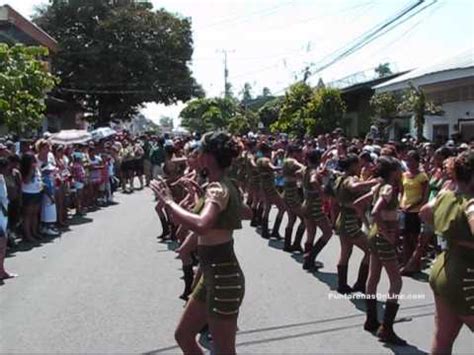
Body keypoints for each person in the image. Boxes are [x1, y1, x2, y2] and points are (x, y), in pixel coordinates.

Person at [151, 131, 251, 355]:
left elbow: (202, 225)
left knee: (224, 351)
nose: (196, 156)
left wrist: (168, 202)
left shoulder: (218, 188)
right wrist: (202, 201)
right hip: (211, 275)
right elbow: (246, 213)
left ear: (207, 158)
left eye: (200, 152)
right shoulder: (224, 185)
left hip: (224, 278)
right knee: (184, 335)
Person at [420, 151, 474, 354]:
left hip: (443, 268)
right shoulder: (471, 203)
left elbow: (424, 212)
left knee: (442, 337)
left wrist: (451, 234)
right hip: (466, 277)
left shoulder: (445, 194)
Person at [363, 156, 407, 345]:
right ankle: (387, 329)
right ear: (392, 171)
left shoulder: (378, 186)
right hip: (382, 237)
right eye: (398, 169)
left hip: (374, 236)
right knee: (396, 282)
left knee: (373, 278)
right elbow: (375, 212)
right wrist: (387, 234)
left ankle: (371, 319)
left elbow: (366, 207)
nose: (401, 172)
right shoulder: (388, 188)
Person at [0, 157, 16, 280]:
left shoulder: (2, 178)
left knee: (3, 243)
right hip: (1, 214)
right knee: (2, 242)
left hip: (3, 215)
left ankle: (2, 270)